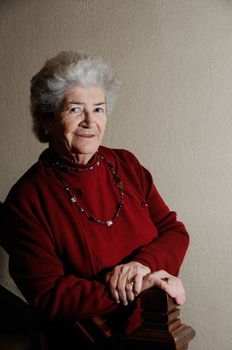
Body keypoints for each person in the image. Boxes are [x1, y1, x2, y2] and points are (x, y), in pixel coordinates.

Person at [2, 51, 189, 346]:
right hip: (89, 341)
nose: (90, 121)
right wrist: (137, 285)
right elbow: (49, 295)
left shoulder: (127, 164)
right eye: (75, 109)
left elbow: (174, 232)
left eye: (99, 109)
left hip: (156, 329)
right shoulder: (27, 199)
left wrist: (141, 265)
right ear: (47, 119)